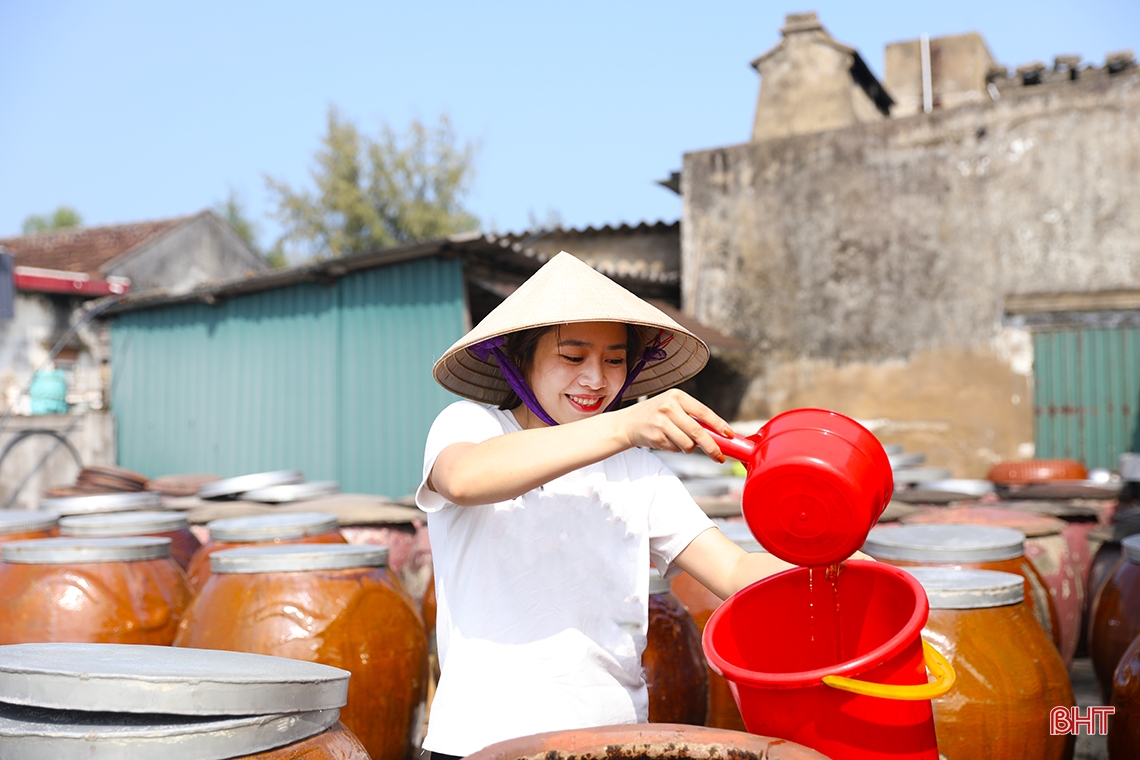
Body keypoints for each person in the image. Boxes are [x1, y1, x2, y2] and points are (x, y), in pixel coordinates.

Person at [416, 251, 796, 759]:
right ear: (518, 359)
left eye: (614, 359)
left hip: (609, 744)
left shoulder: (637, 469)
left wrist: (835, 563)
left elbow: (733, 570)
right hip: (482, 743)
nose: (595, 380)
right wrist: (624, 426)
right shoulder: (472, 426)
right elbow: (464, 479)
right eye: (572, 358)